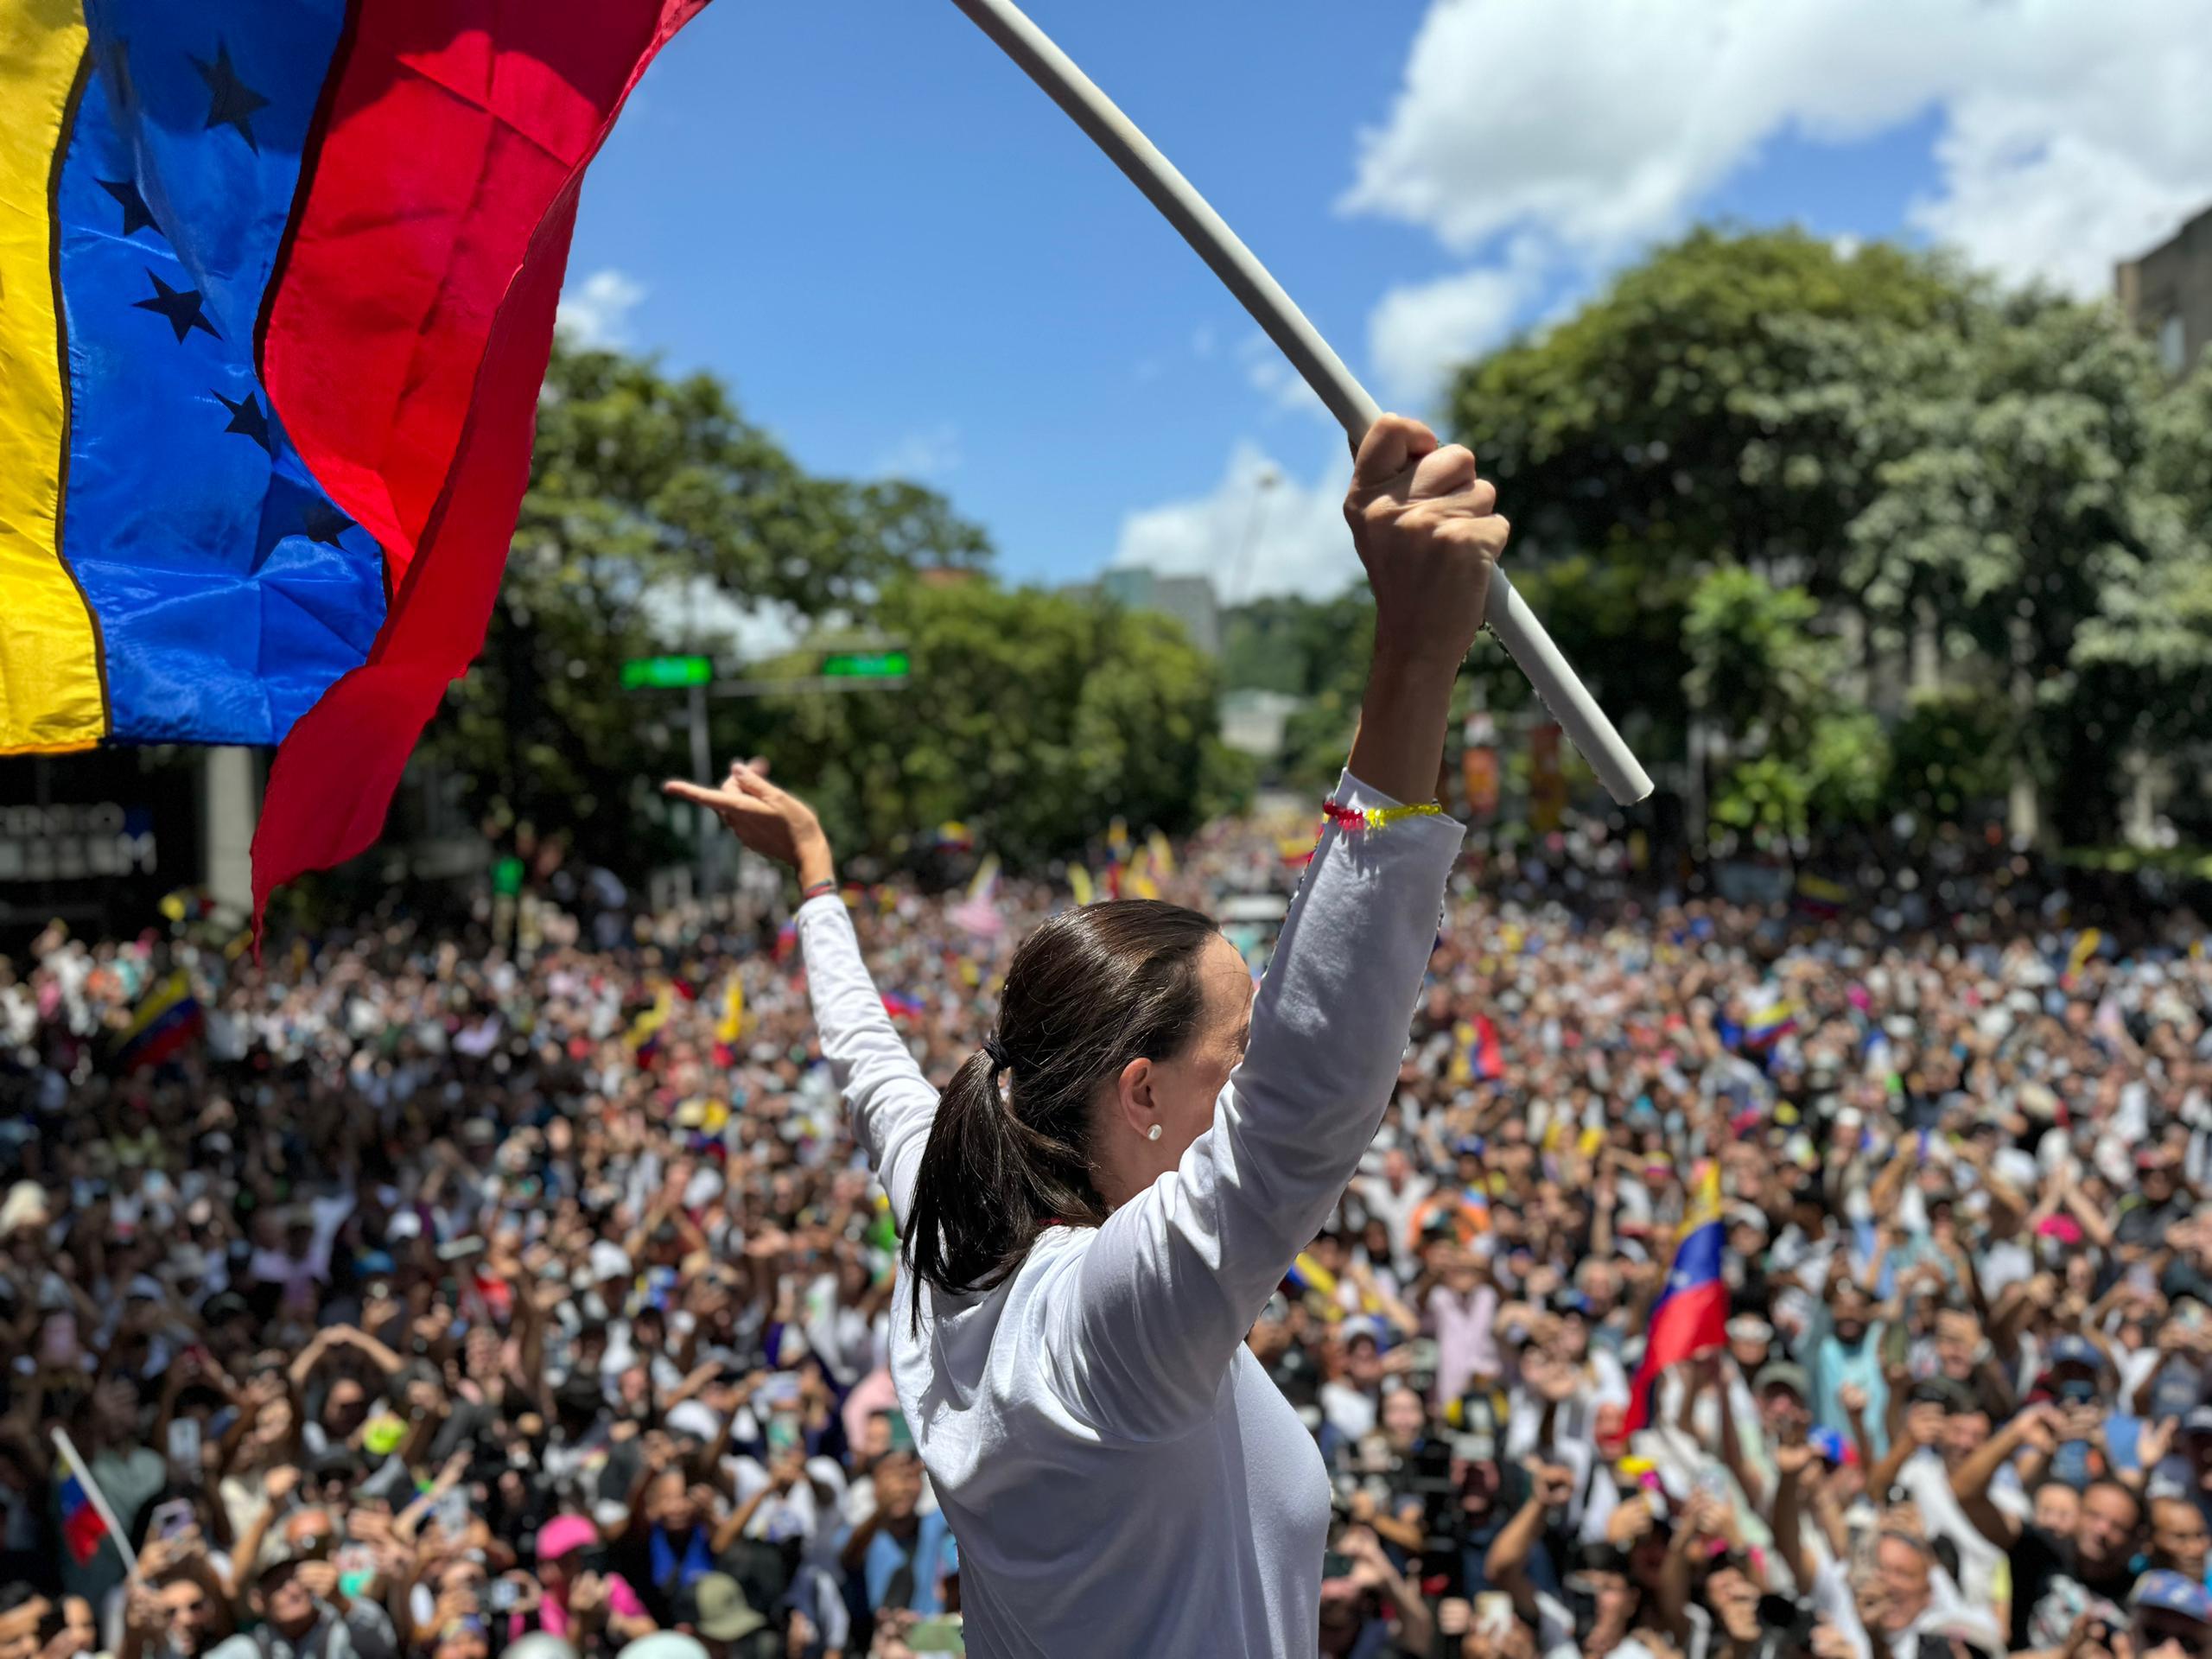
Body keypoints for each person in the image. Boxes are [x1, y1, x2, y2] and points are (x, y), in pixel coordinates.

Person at [666, 411, 1504, 1656]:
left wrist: (815, 877)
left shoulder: (955, 1230)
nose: (1260, 1066)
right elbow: (1306, 1104)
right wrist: (1414, 659)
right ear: (1141, 1092)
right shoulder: (1104, 1325)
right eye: (1240, 1047)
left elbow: (867, 1060)